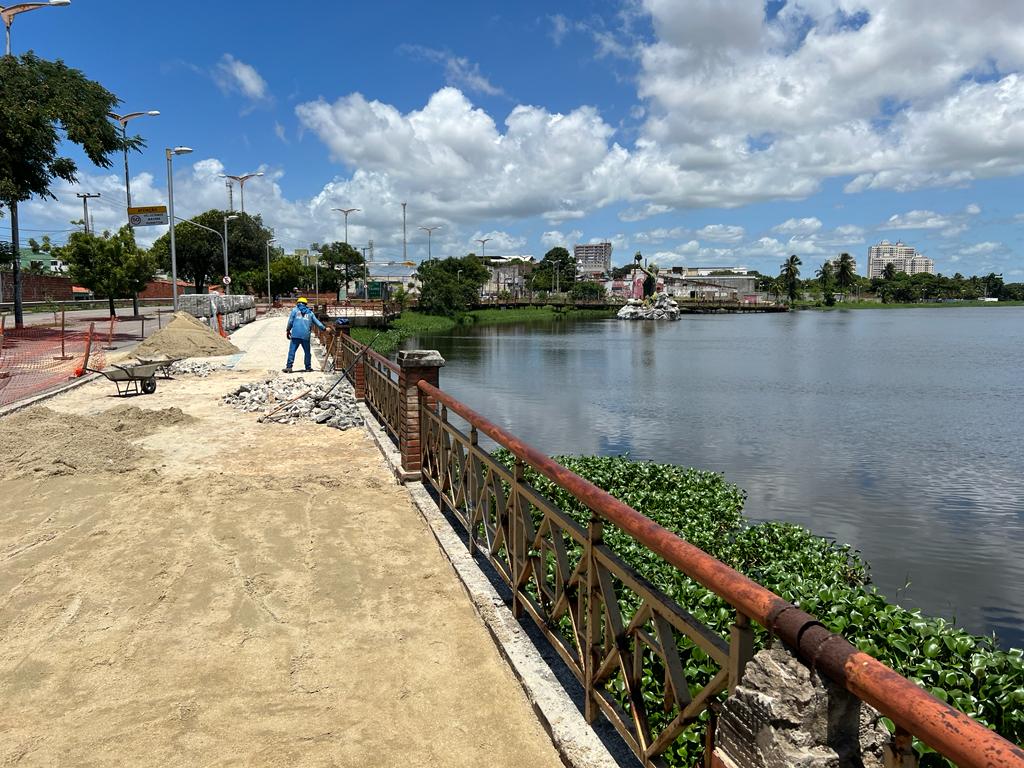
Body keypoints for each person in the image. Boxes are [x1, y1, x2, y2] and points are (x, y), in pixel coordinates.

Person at [283, 297, 326, 373]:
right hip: (305, 335)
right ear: (306, 304)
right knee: (307, 352)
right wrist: (324, 329)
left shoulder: (295, 310)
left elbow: (290, 321)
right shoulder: (310, 313)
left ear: (298, 303)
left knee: (292, 351)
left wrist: (288, 330)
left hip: (295, 335)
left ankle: (289, 367)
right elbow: (317, 322)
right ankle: (308, 367)